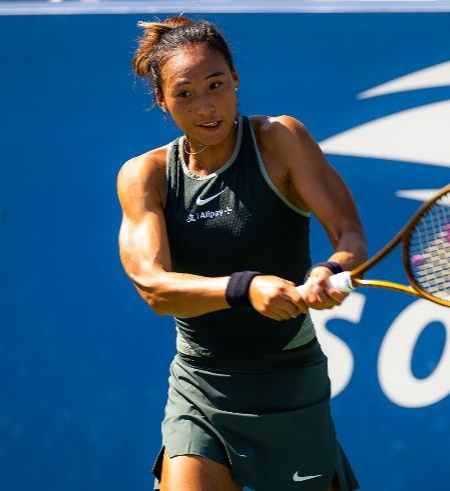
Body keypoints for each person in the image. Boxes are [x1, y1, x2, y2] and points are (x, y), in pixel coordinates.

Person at [116, 16, 367, 491]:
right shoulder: (144, 176)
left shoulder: (281, 140)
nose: (206, 106)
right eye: (185, 93)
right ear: (162, 100)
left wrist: (329, 270)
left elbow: (350, 234)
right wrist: (244, 287)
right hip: (201, 383)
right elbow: (154, 286)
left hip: (290, 379)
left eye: (216, 85)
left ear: (235, 80)